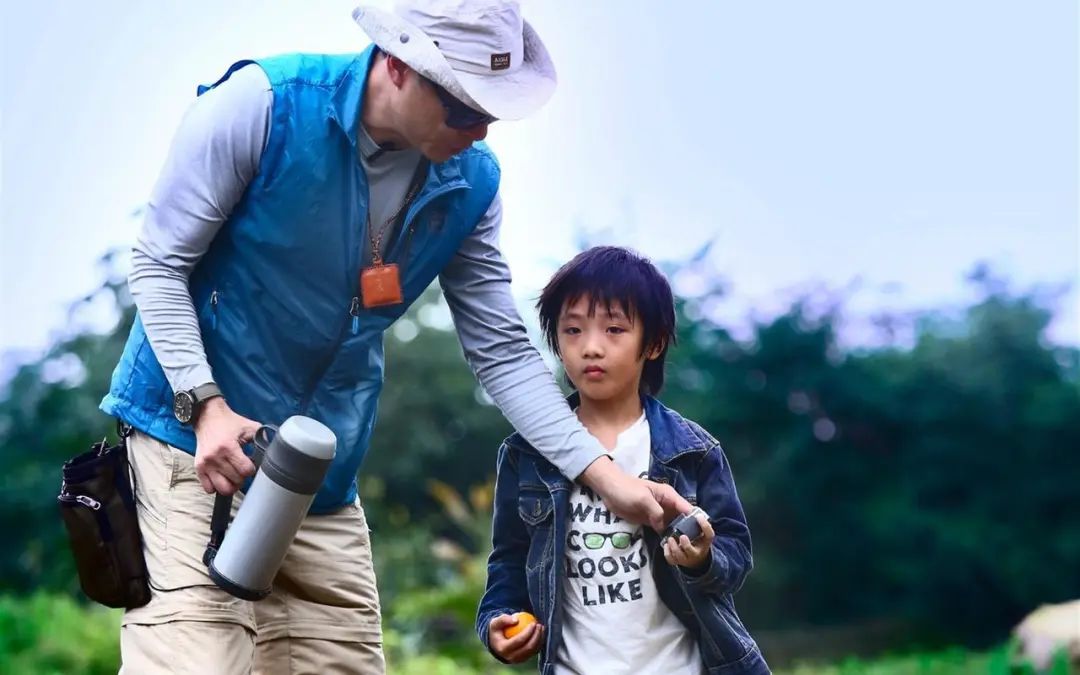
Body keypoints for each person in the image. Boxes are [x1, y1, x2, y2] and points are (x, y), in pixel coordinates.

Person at [98, 2, 690, 673]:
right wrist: (204, 405)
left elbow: (501, 352)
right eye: (462, 108)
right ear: (400, 64)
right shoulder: (260, 106)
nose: (480, 129)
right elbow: (158, 263)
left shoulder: (473, 184)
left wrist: (608, 478)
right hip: (194, 446)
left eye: (491, 112)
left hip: (320, 479)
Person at [476, 246, 770, 674]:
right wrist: (496, 622)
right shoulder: (526, 455)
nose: (591, 347)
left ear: (653, 343)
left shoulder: (693, 451)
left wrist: (701, 559)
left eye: (614, 329)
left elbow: (735, 556)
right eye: (572, 330)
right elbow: (508, 561)